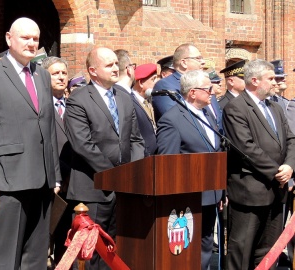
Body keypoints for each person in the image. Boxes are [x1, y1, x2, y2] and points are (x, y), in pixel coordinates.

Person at [0, 17, 61, 270]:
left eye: (35, 39)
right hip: (11, 179)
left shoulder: (41, 75)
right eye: (25, 38)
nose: (32, 44)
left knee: (36, 253)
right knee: (7, 255)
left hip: (43, 180)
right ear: (9, 38)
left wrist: (55, 176)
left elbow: (49, 127)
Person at [64, 47, 145, 270]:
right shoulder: (78, 100)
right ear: (93, 70)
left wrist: (131, 172)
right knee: (89, 255)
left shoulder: (124, 98)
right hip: (93, 189)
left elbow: (136, 140)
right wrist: (114, 175)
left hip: (122, 189)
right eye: (108, 65)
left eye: (116, 63)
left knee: (113, 252)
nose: (115, 68)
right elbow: (83, 144)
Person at [223, 59, 295, 270]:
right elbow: (246, 147)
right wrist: (276, 171)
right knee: (242, 250)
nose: (275, 83)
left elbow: (291, 139)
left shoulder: (275, 107)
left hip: (277, 190)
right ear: (254, 80)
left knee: (269, 252)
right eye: (270, 78)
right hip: (251, 192)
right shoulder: (235, 108)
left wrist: (290, 166)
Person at [157, 70, 223, 270]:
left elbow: (215, 151)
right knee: (186, 251)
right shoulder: (172, 119)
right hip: (187, 199)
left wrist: (221, 190)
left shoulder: (206, 116)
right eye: (208, 88)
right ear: (193, 93)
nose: (212, 92)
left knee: (205, 247)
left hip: (211, 194)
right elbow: (168, 162)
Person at [41, 56, 73, 266]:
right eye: (55, 73)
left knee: (66, 238)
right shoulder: (40, 106)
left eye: (64, 73)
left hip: (73, 182)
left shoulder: (73, 105)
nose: (61, 77)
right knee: (45, 239)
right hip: (50, 182)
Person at [113, 49, 157, 156]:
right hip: (138, 160)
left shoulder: (125, 95)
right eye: (133, 67)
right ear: (129, 70)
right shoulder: (121, 95)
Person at [152, 44, 206, 121]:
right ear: (184, 63)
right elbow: (176, 119)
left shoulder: (203, 84)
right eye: (198, 58)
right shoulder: (165, 85)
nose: (203, 62)